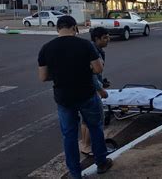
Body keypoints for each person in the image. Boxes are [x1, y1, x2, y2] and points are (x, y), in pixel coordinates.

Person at [38, 16, 113, 178]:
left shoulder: (46, 48)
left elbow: (43, 77)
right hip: (86, 94)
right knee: (95, 128)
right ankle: (101, 162)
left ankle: (75, 173)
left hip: (63, 98)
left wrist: (60, 74)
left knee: (69, 136)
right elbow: (98, 69)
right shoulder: (85, 45)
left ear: (57, 29)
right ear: (74, 28)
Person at [80, 27, 110, 156]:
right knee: (94, 119)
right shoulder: (93, 51)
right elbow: (91, 74)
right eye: (105, 38)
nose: (108, 40)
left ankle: (85, 144)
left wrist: (102, 82)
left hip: (90, 86)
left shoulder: (97, 50)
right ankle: (88, 146)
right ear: (97, 39)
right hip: (91, 88)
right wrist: (100, 89)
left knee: (86, 120)